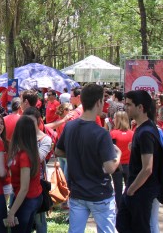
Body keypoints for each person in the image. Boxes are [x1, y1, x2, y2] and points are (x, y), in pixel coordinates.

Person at [54, 83, 120, 233]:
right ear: (98, 102)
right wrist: (119, 154)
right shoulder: (101, 133)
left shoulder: (69, 127)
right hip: (100, 194)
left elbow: (58, 151)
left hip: (78, 194)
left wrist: (75, 153)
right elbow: (110, 167)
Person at [116, 90, 163, 233]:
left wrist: (131, 190)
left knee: (136, 226)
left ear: (141, 108)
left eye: (129, 105)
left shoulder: (146, 132)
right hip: (139, 189)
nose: (126, 108)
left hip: (141, 190)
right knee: (124, 224)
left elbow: (147, 168)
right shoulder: (143, 128)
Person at [5, 115, 43, 233]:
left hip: (27, 200)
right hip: (32, 198)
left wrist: (12, 212)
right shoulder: (28, 151)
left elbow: (24, 188)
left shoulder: (24, 156)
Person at [110, 110, 134, 209]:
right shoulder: (132, 134)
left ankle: (120, 208)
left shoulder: (113, 134)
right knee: (129, 187)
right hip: (129, 164)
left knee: (118, 188)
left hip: (117, 165)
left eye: (115, 118)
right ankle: (129, 206)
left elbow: (111, 150)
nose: (113, 120)